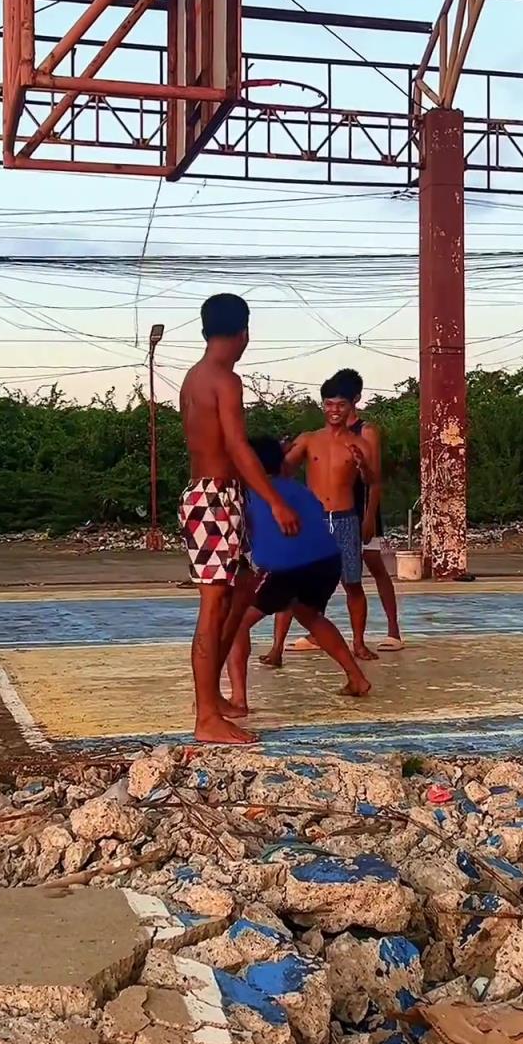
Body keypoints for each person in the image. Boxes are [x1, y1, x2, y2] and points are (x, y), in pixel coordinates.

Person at [178, 293, 300, 745]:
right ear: (244, 332)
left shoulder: (194, 378)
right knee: (213, 607)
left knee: (243, 587)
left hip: (215, 496)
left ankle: (212, 699)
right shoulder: (224, 381)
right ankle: (206, 716)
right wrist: (275, 500)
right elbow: (237, 448)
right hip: (213, 499)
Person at [261, 368, 403, 666]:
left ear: (351, 406)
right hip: (313, 520)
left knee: (352, 582)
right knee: (291, 581)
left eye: (340, 405)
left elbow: (372, 479)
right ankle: (276, 649)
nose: (334, 410)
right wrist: (279, 456)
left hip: (344, 518)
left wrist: (364, 479)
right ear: (322, 405)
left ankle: (359, 643)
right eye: (329, 404)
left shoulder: (360, 441)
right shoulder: (309, 439)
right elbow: (281, 470)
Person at [226, 436, 371, 710]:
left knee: (235, 624)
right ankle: (357, 678)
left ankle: (239, 698)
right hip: (327, 562)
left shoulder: (249, 493)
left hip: (286, 568)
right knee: (310, 615)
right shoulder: (298, 489)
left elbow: (244, 535)